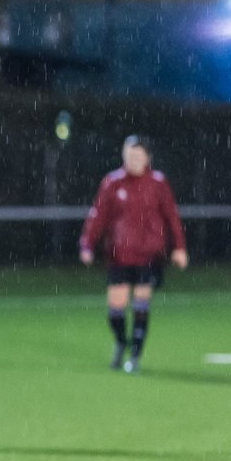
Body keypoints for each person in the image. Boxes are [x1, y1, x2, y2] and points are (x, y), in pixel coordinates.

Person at [79, 135, 189, 373]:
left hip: (149, 255)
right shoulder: (112, 183)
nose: (134, 159)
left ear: (147, 158)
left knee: (141, 305)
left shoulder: (158, 183)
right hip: (119, 255)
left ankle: (135, 356)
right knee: (115, 309)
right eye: (129, 155)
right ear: (123, 155)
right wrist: (87, 244)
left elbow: (172, 217)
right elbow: (98, 215)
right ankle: (121, 342)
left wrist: (179, 247)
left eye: (138, 155)